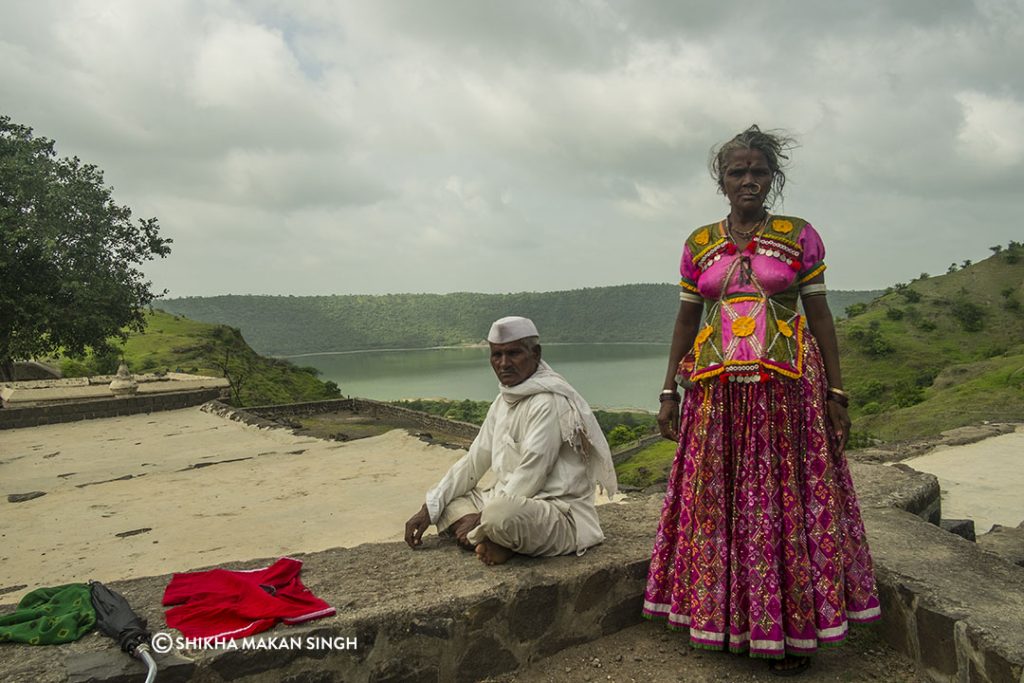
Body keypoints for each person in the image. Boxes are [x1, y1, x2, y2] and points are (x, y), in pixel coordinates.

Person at [643, 125, 881, 676]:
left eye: (758, 171)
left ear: (773, 177)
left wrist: (837, 392)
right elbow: (686, 319)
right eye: (737, 172)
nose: (748, 180)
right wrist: (667, 389)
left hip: (786, 390)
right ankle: (726, 619)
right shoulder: (699, 244)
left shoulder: (798, 235)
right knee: (718, 499)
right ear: (721, 181)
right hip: (715, 391)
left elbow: (819, 316)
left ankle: (789, 631)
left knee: (782, 502)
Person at [404, 316, 618, 566]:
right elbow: (473, 462)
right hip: (510, 502)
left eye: (514, 353)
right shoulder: (502, 401)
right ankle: (496, 540)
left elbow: (531, 474)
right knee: (449, 501)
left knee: (498, 514)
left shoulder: (548, 401)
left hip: (556, 514)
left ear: (535, 354)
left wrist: (481, 520)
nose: (503, 363)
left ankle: (493, 536)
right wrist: (428, 510)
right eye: (497, 355)